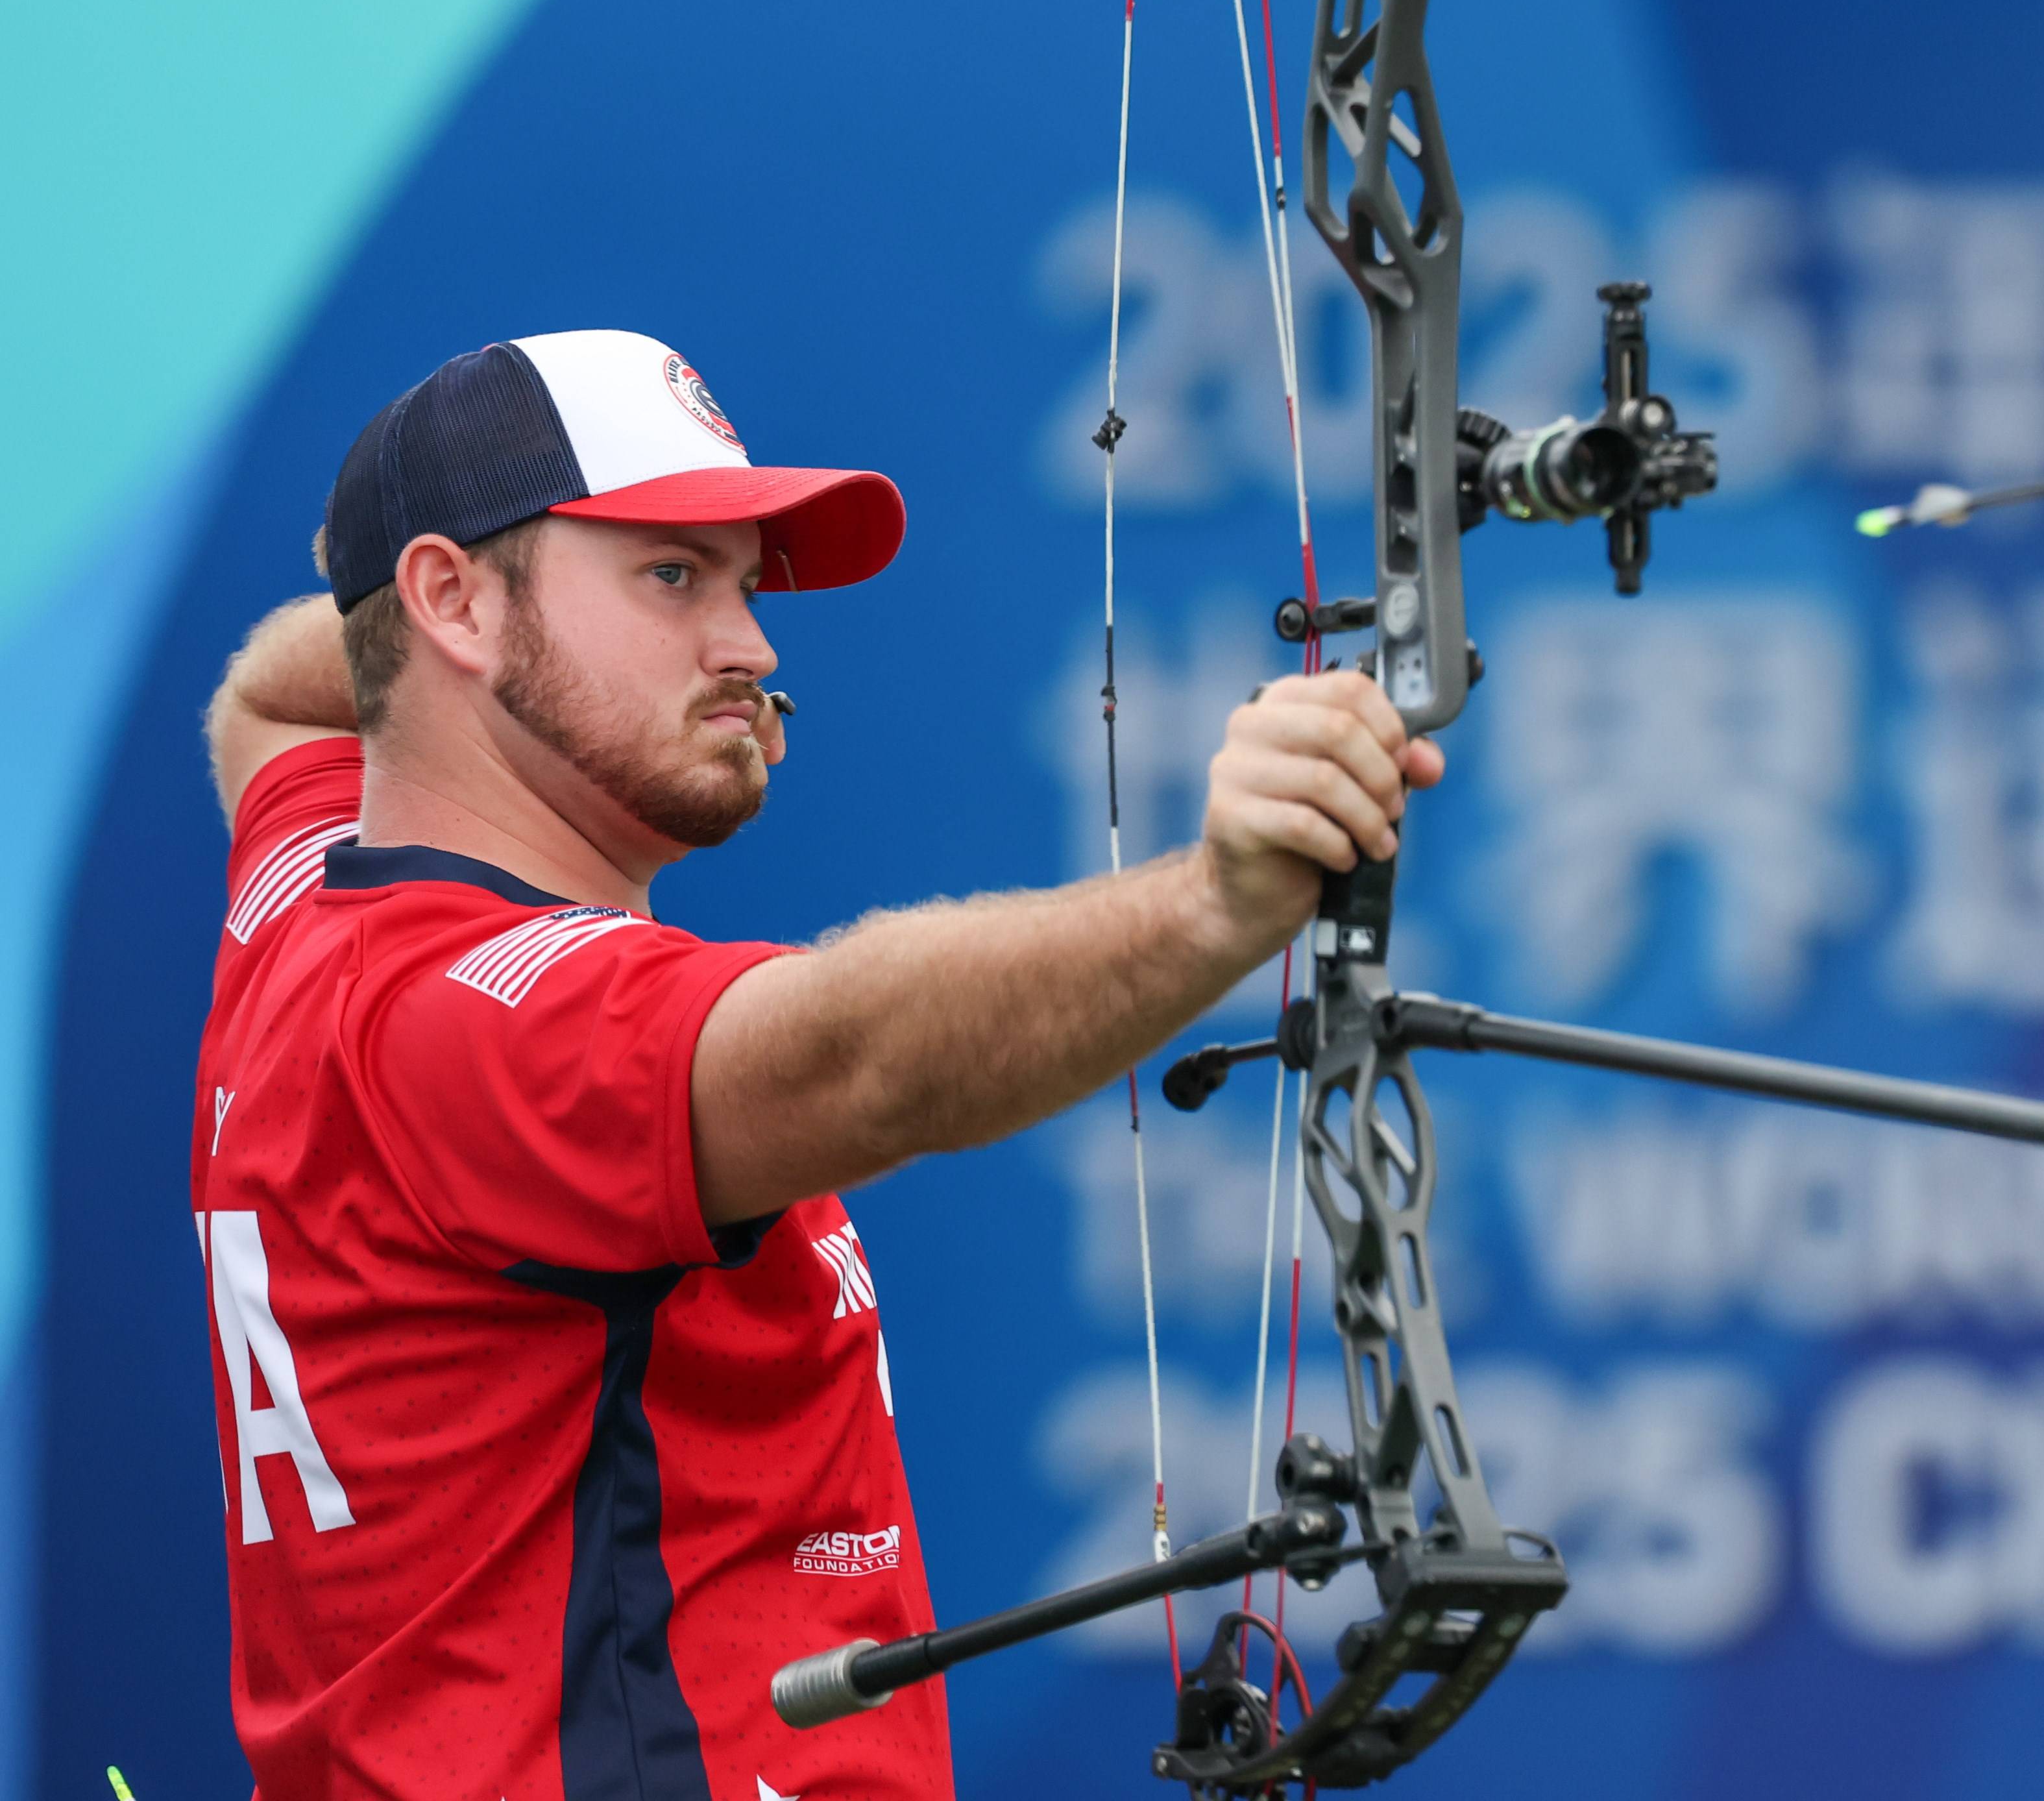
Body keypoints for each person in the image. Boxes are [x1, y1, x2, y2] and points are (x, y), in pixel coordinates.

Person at [193, 329, 1431, 1799]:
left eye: (741, 580)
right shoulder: (491, 1015)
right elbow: (855, 1054)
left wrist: (411, 616)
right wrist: (1211, 902)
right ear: (454, 598)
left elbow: (267, 698)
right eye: (670, 576)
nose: (753, 646)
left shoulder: (302, 888)